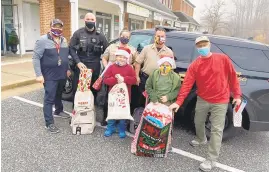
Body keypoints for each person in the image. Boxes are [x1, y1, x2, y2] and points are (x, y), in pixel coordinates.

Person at [169, 36, 242, 171]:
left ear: (209, 45)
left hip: (221, 101)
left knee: (216, 129)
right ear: (197, 48)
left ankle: (212, 159)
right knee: (198, 121)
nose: (202, 48)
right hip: (202, 99)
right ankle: (201, 138)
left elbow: (233, 77)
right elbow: (187, 84)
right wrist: (178, 102)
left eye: (204, 45)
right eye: (199, 46)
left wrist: (237, 95)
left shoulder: (222, 59)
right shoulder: (195, 65)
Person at [32, 19, 71, 133]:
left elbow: (65, 56)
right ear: (50, 27)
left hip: (62, 73)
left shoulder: (64, 40)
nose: (57, 29)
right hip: (49, 75)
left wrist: (67, 68)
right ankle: (49, 123)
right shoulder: (42, 40)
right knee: (49, 98)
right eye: (55, 26)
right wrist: (39, 74)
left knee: (59, 93)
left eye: (60, 27)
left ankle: (58, 110)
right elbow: (36, 58)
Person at [69, 13, 108, 107]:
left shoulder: (100, 36)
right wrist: (78, 62)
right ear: (84, 20)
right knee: (78, 89)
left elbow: (107, 51)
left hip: (95, 65)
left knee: (93, 89)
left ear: (95, 21)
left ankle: (91, 109)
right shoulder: (78, 33)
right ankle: (76, 110)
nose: (90, 21)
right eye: (88, 19)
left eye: (92, 19)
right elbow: (71, 49)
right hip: (81, 65)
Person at [101, 29, 136, 126]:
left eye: (127, 37)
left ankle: (121, 121)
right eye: (123, 36)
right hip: (112, 76)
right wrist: (107, 68)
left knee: (122, 100)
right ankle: (106, 119)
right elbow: (104, 57)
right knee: (109, 99)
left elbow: (136, 62)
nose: (125, 38)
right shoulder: (112, 46)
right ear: (119, 35)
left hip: (124, 79)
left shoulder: (132, 49)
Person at [134, 27, 173, 108]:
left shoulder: (169, 52)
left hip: (159, 82)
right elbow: (137, 63)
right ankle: (141, 119)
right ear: (155, 36)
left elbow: (171, 69)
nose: (160, 38)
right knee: (142, 102)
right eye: (158, 36)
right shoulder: (146, 48)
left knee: (155, 104)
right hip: (145, 79)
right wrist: (137, 76)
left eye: (162, 36)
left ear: (165, 38)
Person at [103, 47, 137, 138]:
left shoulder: (130, 68)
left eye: (124, 57)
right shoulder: (111, 67)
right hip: (113, 96)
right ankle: (110, 128)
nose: (121, 59)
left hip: (124, 96)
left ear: (127, 59)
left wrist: (124, 79)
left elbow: (134, 80)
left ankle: (122, 129)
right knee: (112, 112)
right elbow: (105, 80)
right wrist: (116, 80)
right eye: (119, 57)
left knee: (123, 113)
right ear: (116, 57)